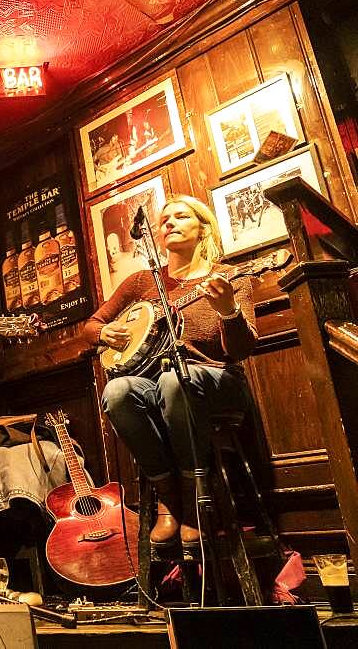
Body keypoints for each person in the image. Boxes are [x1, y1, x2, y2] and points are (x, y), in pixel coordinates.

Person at [83, 194, 257, 547]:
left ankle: (196, 499)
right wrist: (104, 332)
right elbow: (90, 327)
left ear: (202, 227)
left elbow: (241, 349)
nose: (170, 223)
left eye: (180, 216)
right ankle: (169, 495)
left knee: (173, 380)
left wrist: (227, 310)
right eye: (164, 220)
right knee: (117, 392)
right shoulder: (142, 282)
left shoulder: (230, 276)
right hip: (158, 384)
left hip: (217, 379)